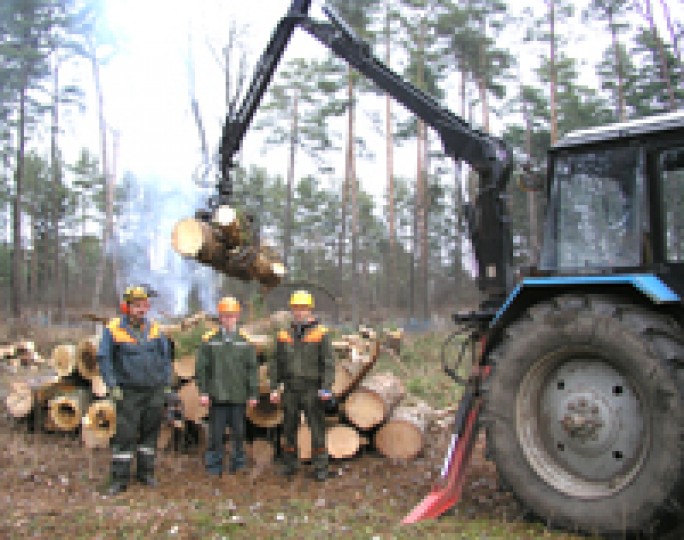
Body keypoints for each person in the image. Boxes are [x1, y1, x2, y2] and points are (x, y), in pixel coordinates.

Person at [97, 285, 172, 495]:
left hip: (153, 390)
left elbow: (165, 358)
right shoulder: (113, 329)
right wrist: (112, 385)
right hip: (128, 392)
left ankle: (145, 473)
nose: (141, 309)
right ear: (127, 306)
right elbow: (104, 359)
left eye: (144, 305)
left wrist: (166, 382)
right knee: (125, 435)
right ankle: (119, 479)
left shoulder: (154, 328)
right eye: (137, 306)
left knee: (150, 435)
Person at [269, 290, 334, 482]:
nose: (299, 312)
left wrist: (326, 387)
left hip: (312, 389)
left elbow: (328, 363)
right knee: (289, 428)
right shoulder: (283, 335)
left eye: (303, 308)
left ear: (309, 309)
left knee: (317, 428)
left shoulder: (321, 333)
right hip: (290, 389)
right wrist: (274, 387)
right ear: (291, 309)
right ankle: (290, 464)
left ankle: (320, 466)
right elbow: (276, 363)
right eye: (296, 308)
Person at [196, 296, 258, 476]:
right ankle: (214, 467)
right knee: (216, 435)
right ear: (220, 317)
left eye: (231, 315)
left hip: (238, 397)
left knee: (239, 434)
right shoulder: (210, 340)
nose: (228, 319)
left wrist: (253, 393)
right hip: (217, 397)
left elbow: (252, 370)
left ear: (237, 316)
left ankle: (238, 466)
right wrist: (204, 392)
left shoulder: (245, 341)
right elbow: (202, 369)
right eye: (224, 316)